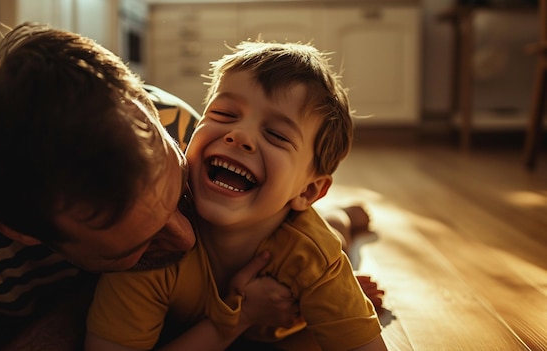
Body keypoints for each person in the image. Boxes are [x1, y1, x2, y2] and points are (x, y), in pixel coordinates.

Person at [0, 23, 299, 351]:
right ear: (19, 232)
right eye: (138, 246)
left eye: (182, 194)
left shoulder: (174, 122)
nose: (187, 239)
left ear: (149, 106)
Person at [85, 41, 387, 350]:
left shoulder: (313, 256)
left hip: (304, 261)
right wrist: (240, 317)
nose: (239, 135)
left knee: (334, 232)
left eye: (277, 135)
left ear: (307, 190)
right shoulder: (156, 237)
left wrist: (337, 295)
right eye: (224, 113)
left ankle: (343, 216)